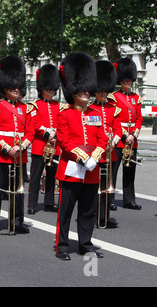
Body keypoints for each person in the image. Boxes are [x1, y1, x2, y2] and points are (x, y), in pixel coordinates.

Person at [54, 52, 107, 260]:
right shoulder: (64, 114)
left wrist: (95, 156)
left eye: (88, 90)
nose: (87, 93)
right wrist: (83, 157)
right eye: (83, 89)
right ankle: (62, 245)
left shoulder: (95, 113)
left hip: (92, 171)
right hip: (72, 169)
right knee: (65, 211)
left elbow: (102, 138)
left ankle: (85, 244)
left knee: (88, 211)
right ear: (73, 91)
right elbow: (64, 141)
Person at [0, 55, 34, 235]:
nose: (16, 89)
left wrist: (21, 146)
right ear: (5, 88)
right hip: (1, 154)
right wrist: (7, 148)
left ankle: (17, 221)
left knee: (17, 191)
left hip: (19, 153)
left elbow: (30, 131)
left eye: (18, 86)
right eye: (12, 86)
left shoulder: (26, 108)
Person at [91, 60, 122, 228]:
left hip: (110, 152)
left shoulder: (113, 109)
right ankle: (94, 215)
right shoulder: (89, 109)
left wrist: (114, 141)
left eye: (104, 91)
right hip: (97, 153)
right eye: (100, 90)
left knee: (106, 186)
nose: (102, 93)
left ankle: (104, 216)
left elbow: (117, 129)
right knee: (95, 187)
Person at [27, 64, 61, 215]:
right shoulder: (34, 105)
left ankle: (49, 202)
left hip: (55, 146)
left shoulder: (59, 106)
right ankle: (32, 204)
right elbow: (33, 124)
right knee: (36, 176)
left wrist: (56, 133)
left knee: (52, 176)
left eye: (53, 88)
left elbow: (63, 124)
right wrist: (47, 133)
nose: (52, 91)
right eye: (49, 88)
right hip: (40, 145)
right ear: (42, 88)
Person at [110, 57, 143, 210]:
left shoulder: (137, 98)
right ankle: (110, 199)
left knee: (130, 170)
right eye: (126, 79)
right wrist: (125, 135)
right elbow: (114, 119)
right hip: (120, 139)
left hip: (132, 139)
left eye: (130, 79)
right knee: (114, 169)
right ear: (121, 80)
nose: (129, 82)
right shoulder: (115, 97)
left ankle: (129, 200)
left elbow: (139, 119)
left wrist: (133, 135)